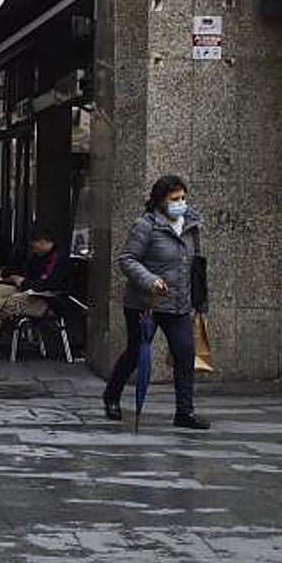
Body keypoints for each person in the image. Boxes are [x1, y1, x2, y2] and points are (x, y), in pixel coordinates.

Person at [103, 175, 209, 430]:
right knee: (136, 354)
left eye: (183, 198)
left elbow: (196, 265)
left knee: (185, 355)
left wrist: (200, 301)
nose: (180, 203)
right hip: (145, 303)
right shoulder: (146, 225)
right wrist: (150, 280)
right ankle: (112, 396)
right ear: (161, 200)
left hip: (178, 304)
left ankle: (185, 412)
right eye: (174, 199)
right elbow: (127, 259)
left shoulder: (191, 224)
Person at [0, 225, 70, 350]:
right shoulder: (38, 256)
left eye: (35, 247)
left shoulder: (58, 258)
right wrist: (13, 276)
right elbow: (25, 271)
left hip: (48, 301)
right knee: (0, 289)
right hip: (32, 294)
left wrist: (23, 282)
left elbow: (48, 284)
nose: (34, 250)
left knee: (1, 305)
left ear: (43, 242)